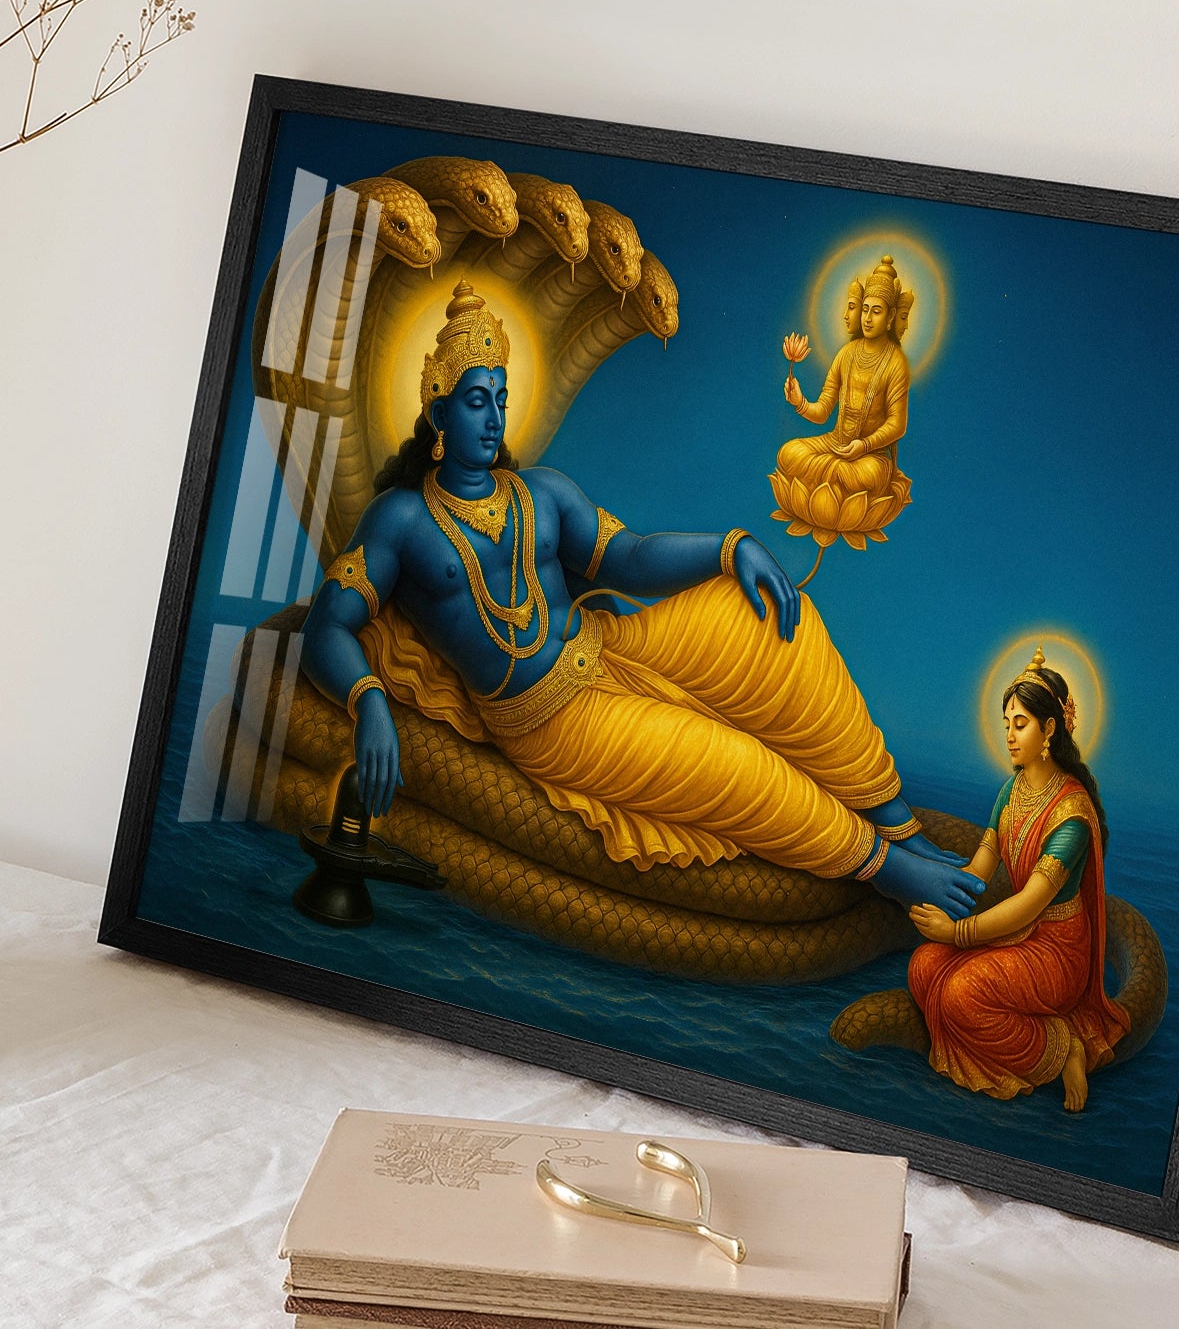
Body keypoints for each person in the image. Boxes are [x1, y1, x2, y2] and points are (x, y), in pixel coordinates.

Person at [301, 280, 983, 916]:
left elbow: (629, 558)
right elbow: (329, 625)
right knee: (733, 762)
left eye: (501, 399)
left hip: (609, 649)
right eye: (477, 400)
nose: (493, 419)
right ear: (438, 410)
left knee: (769, 622)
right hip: (550, 720)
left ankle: (894, 819)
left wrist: (730, 547)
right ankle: (885, 868)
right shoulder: (401, 519)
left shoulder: (542, 491)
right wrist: (368, 702)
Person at [907, 649, 1130, 1112]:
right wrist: (921, 880)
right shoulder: (1012, 790)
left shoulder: (1071, 813)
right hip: (1016, 934)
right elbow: (979, 870)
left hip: (1057, 950)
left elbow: (1030, 903)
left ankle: (1062, 1046)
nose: (1008, 735)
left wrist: (957, 933)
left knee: (962, 995)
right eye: (1006, 722)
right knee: (924, 966)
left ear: (1049, 729)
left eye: (1020, 724)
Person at [777, 255, 912, 501]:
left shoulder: (896, 362)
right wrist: (800, 402)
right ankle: (831, 481)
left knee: (864, 476)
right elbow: (823, 411)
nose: (867, 319)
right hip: (835, 442)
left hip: (871, 455)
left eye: (877, 312)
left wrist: (865, 445)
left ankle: (826, 484)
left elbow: (897, 424)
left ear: (891, 316)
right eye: (865, 310)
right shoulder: (846, 354)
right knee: (787, 454)